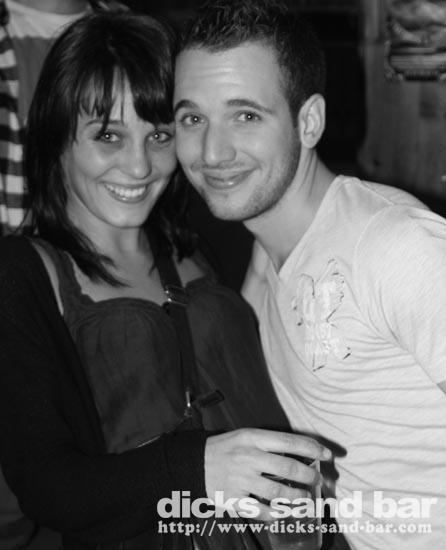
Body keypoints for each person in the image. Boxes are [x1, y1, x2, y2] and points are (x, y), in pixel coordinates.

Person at [0, 10, 331, 550]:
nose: (139, 166)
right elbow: (47, 486)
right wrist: (196, 468)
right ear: (59, 136)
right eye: (108, 135)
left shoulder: (201, 243)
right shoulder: (22, 273)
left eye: (158, 135)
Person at [174, 1, 446, 548]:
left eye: (246, 115)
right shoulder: (265, 260)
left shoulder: (393, 245)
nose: (212, 151)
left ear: (309, 121)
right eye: (192, 118)